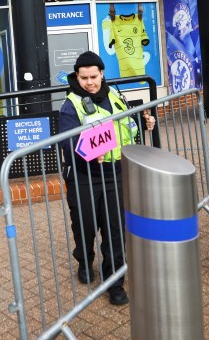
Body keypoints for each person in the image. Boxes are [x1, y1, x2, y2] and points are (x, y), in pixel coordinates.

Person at [59, 51, 155, 306]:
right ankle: (84, 259)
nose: (89, 82)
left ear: (102, 73)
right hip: (84, 177)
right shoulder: (71, 104)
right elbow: (68, 142)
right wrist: (90, 154)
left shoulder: (114, 95)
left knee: (114, 229)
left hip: (114, 172)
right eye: (84, 78)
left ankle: (115, 282)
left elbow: (127, 125)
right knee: (85, 225)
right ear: (76, 77)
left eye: (93, 76)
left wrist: (144, 122)